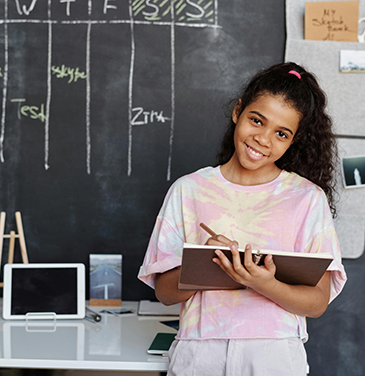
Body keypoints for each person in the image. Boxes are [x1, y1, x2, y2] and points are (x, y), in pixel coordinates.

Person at [138, 62, 347, 376]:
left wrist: (262, 283)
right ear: (238, 111)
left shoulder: (307, 199)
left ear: (293, 140)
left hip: (273, 355)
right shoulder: (189, 190)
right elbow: (164, 293)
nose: (263, 139)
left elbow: (316, 303)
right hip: (199, 352)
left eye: (281, 133)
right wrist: (205, 264)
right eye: (256, 120)